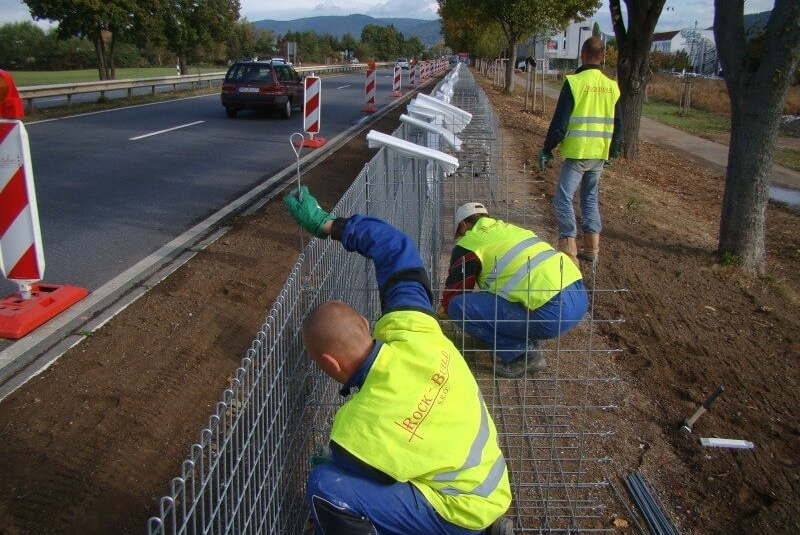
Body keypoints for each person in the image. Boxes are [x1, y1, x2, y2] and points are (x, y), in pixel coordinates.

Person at [284, 186, 514, 535]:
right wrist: (327, 225)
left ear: (330, 364)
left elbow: (351, 470)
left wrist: (338, 462)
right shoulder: (414, 328)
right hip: (492, 482)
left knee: (327, 488)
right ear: (366, 323)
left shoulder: (358, 426)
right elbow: (395, 247)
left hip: (460, 511)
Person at [439, 202, 588, 379]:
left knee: (458, 307)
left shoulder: (469, 243)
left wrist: (440, 313)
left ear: (463, 225)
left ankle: (523, 353)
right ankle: (528, 337)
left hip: (551, 313)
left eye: (460, 233)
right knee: (506, 292)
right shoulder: (511, 230)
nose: (461, 237)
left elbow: (452, 299)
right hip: (579, 296)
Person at [538, 36, 622, 265]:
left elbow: (560, 123)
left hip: (578, 153)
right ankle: (592, 249)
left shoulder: (574, 83)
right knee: (590, 198)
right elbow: (619, 123)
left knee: (562, 199)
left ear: (582, 55)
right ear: (603, 57)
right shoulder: (612, 86)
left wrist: (547, 148)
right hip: (599, 154)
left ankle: (569, 252)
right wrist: (614, 150)